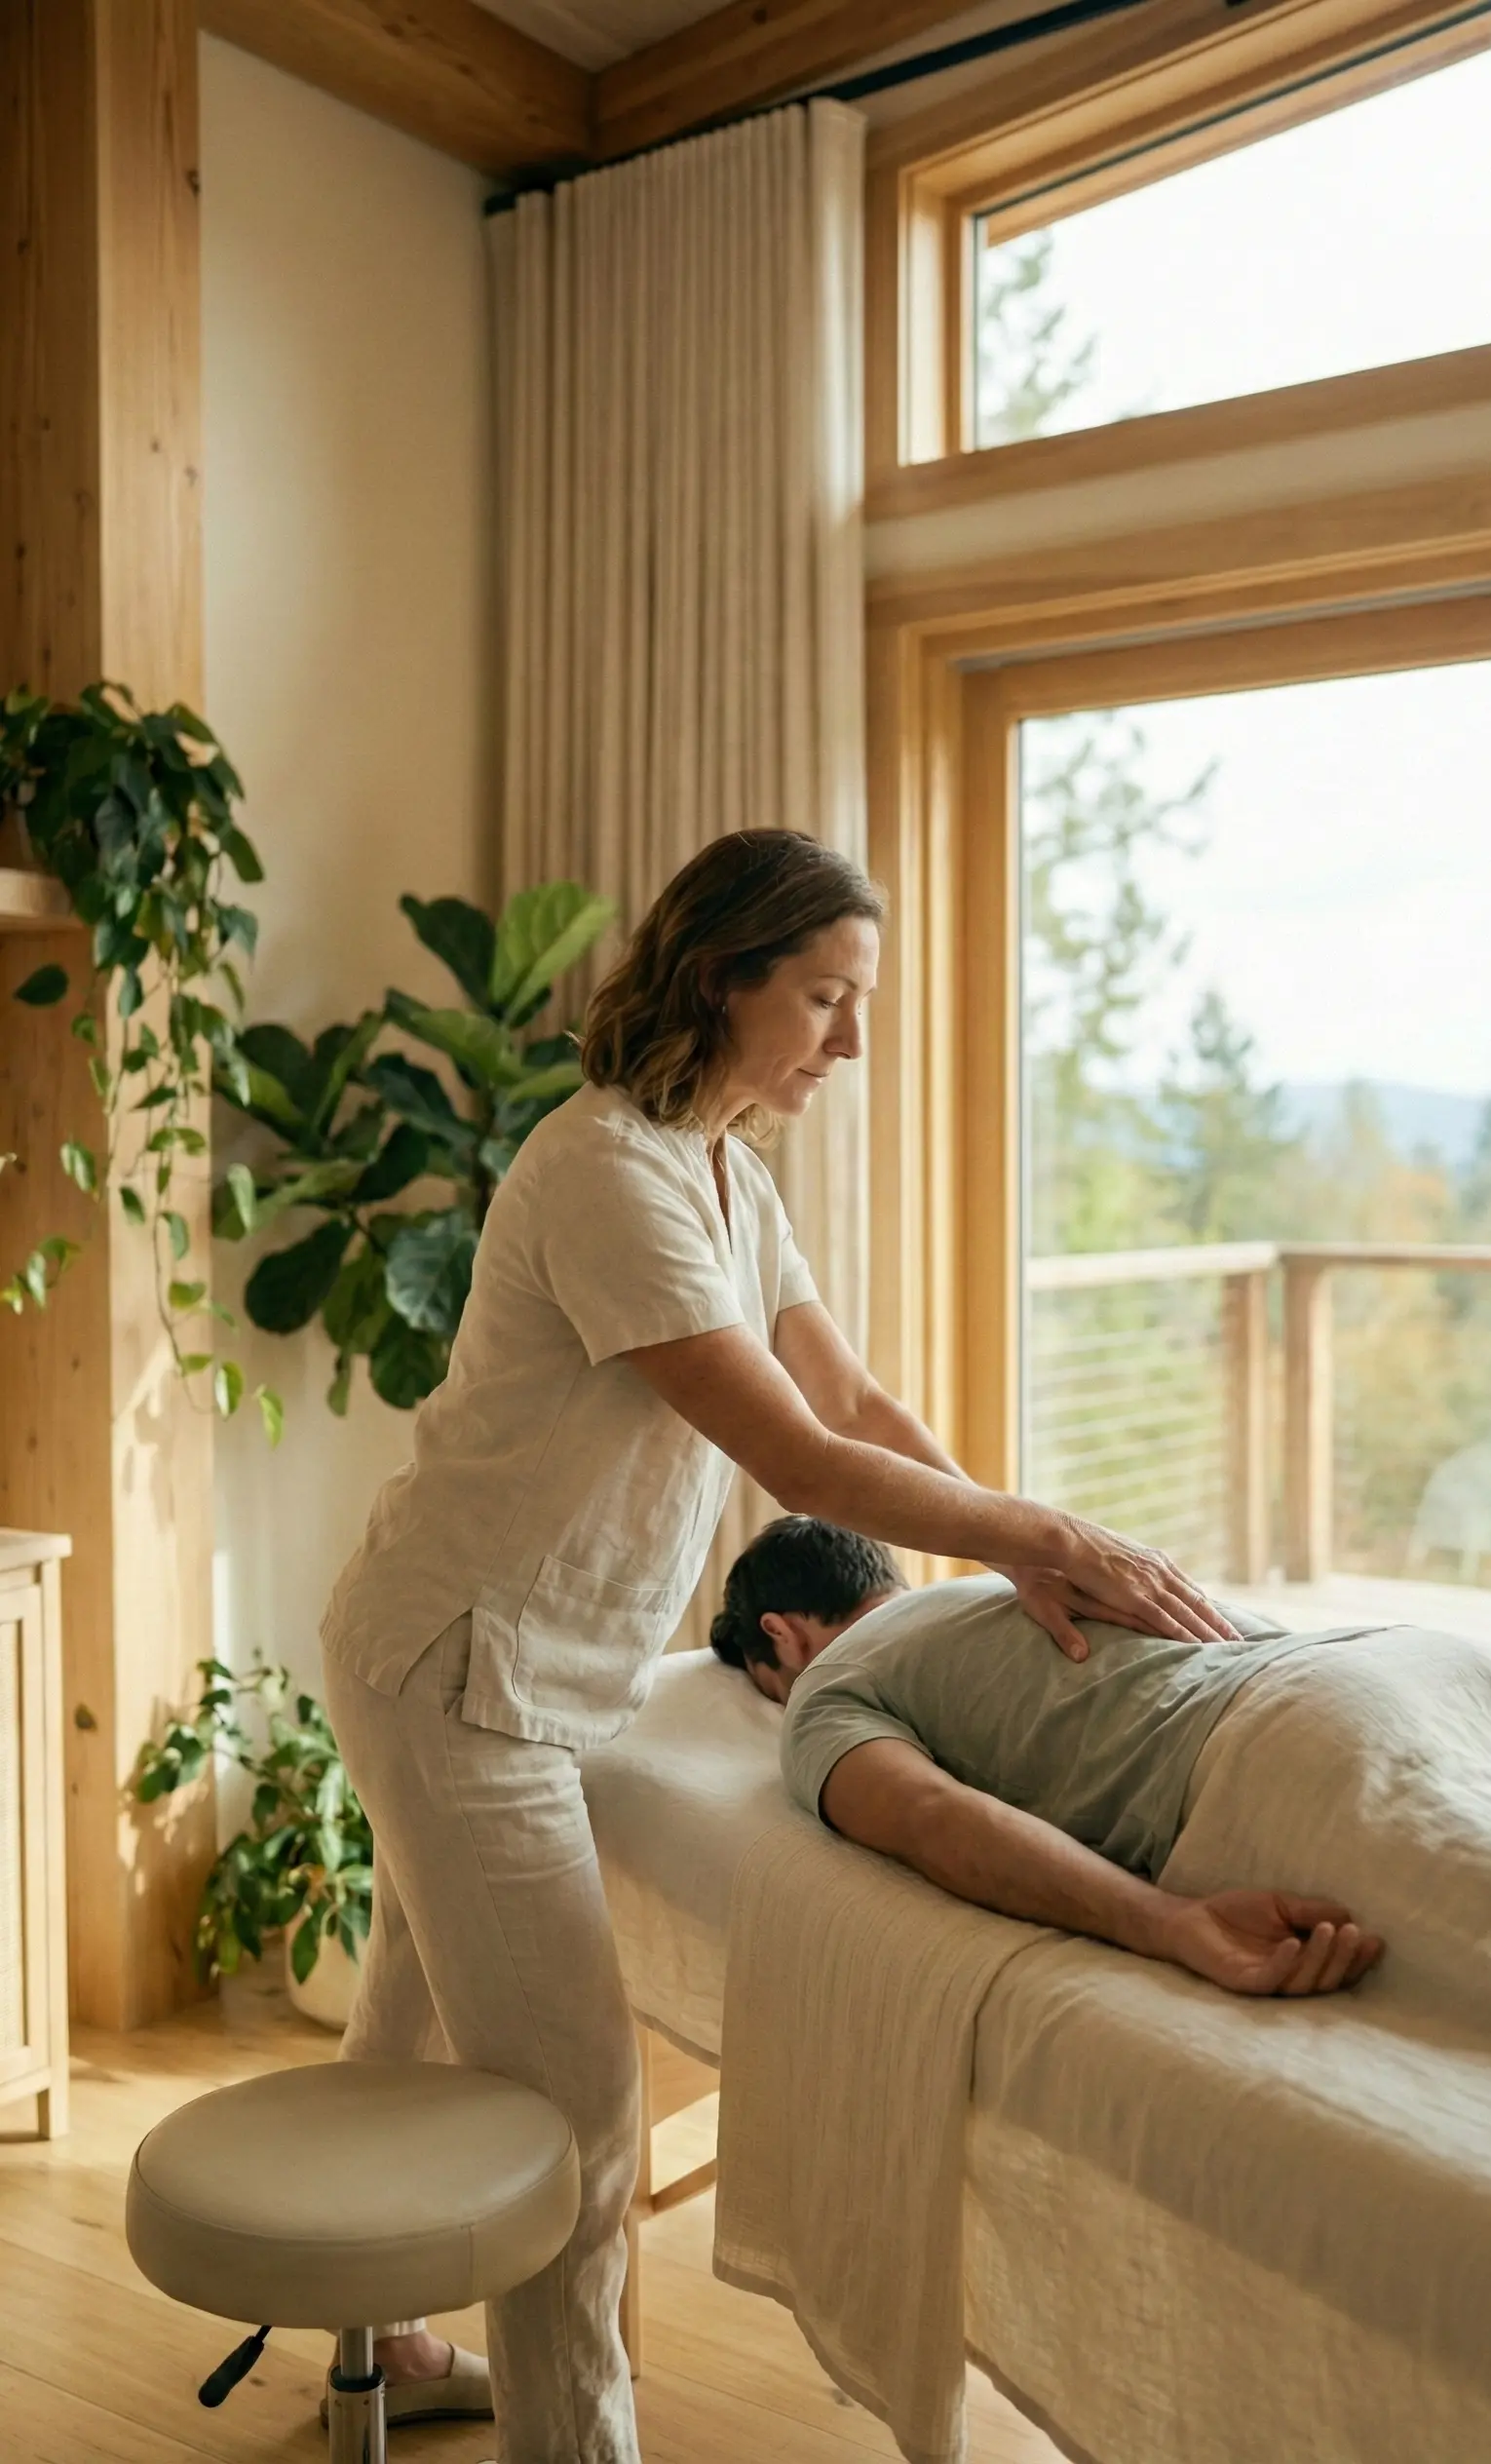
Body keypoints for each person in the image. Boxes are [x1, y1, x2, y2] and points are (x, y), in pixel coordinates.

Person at [319, 828, 1241, 2464]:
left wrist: (1014, 1550)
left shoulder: (732, 1170)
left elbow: (860, 1405)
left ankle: (370, 2336)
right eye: (825, 996)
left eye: (858, 1000)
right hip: (463, 1676)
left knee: (408, 2028)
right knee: (577, 2116)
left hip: (523, 1663)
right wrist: (1046, 1537)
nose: (853, 1040)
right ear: (718, 976)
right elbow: (800, 1463)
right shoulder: (607, 1168)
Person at [709, 1513, 1388, 1998]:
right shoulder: (1010, 1586)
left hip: (1263, 1747)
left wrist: (1172, 1923)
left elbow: (931, 1815)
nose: (784, 1704)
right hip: (1373, 1657)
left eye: (772, 1688)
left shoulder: (824, 1687)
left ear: (782, 1635)